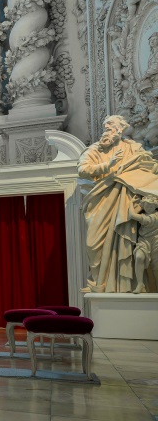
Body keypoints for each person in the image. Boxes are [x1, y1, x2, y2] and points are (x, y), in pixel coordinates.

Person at [78, 115, 158, 292]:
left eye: (111, 126)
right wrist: (108, 165)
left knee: (128, 242)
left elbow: (150, 165)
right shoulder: (95, 149)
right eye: (105, 126)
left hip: (127, 201)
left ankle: (126, 285)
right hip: (102, 200)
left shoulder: (133, 148)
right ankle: (99, 281)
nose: (107, 129)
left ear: (120, 129)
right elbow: (82, 170)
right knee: (93, 243)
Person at [130, 194, 158, 293]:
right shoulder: (143, 216)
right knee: (139, 257)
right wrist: (131, 202)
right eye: (146, 206)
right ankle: (140, 283)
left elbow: (132, 215)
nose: (149, 208)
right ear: (143, 206)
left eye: (151, 206)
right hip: (144, 240)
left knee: (156, 265)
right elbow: (131, 215)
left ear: (155, 206)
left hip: (156, 240)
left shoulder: (155, 216)